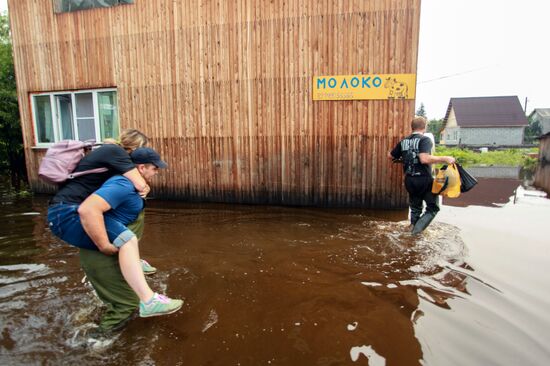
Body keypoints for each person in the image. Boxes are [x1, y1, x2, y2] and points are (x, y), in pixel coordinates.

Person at [48, 147, 183, 318]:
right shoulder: (123, 184)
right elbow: (88, 210)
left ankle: (131, 275)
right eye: (154, 168)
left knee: (128, 245)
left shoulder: (129, 184)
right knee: (128, 241)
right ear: (141, 168)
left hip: (83, 234)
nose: (157, 172)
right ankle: (148, 302)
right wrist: (104, 244)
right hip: (70, 219)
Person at [48, 128, 156, 274]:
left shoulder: (112, 153)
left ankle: (132, 262)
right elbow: (140, 185)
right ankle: (139, 281)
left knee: (124, 240)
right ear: (136, 148)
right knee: (126, 241)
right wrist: (104, 245)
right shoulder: (115, 152)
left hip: (69, 207)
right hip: (67, 210)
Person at [388, 116, 455, 234]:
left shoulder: (403, 141)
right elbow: (424, 159)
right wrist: (445, 158)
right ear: (424, 127)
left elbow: (391, 156)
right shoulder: (425, 140)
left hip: (409, 180)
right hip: (424, 180)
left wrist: (404, 158)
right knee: (433, 208)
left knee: (415, 209)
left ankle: (412, 227)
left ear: (412, 127)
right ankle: (415, 234)